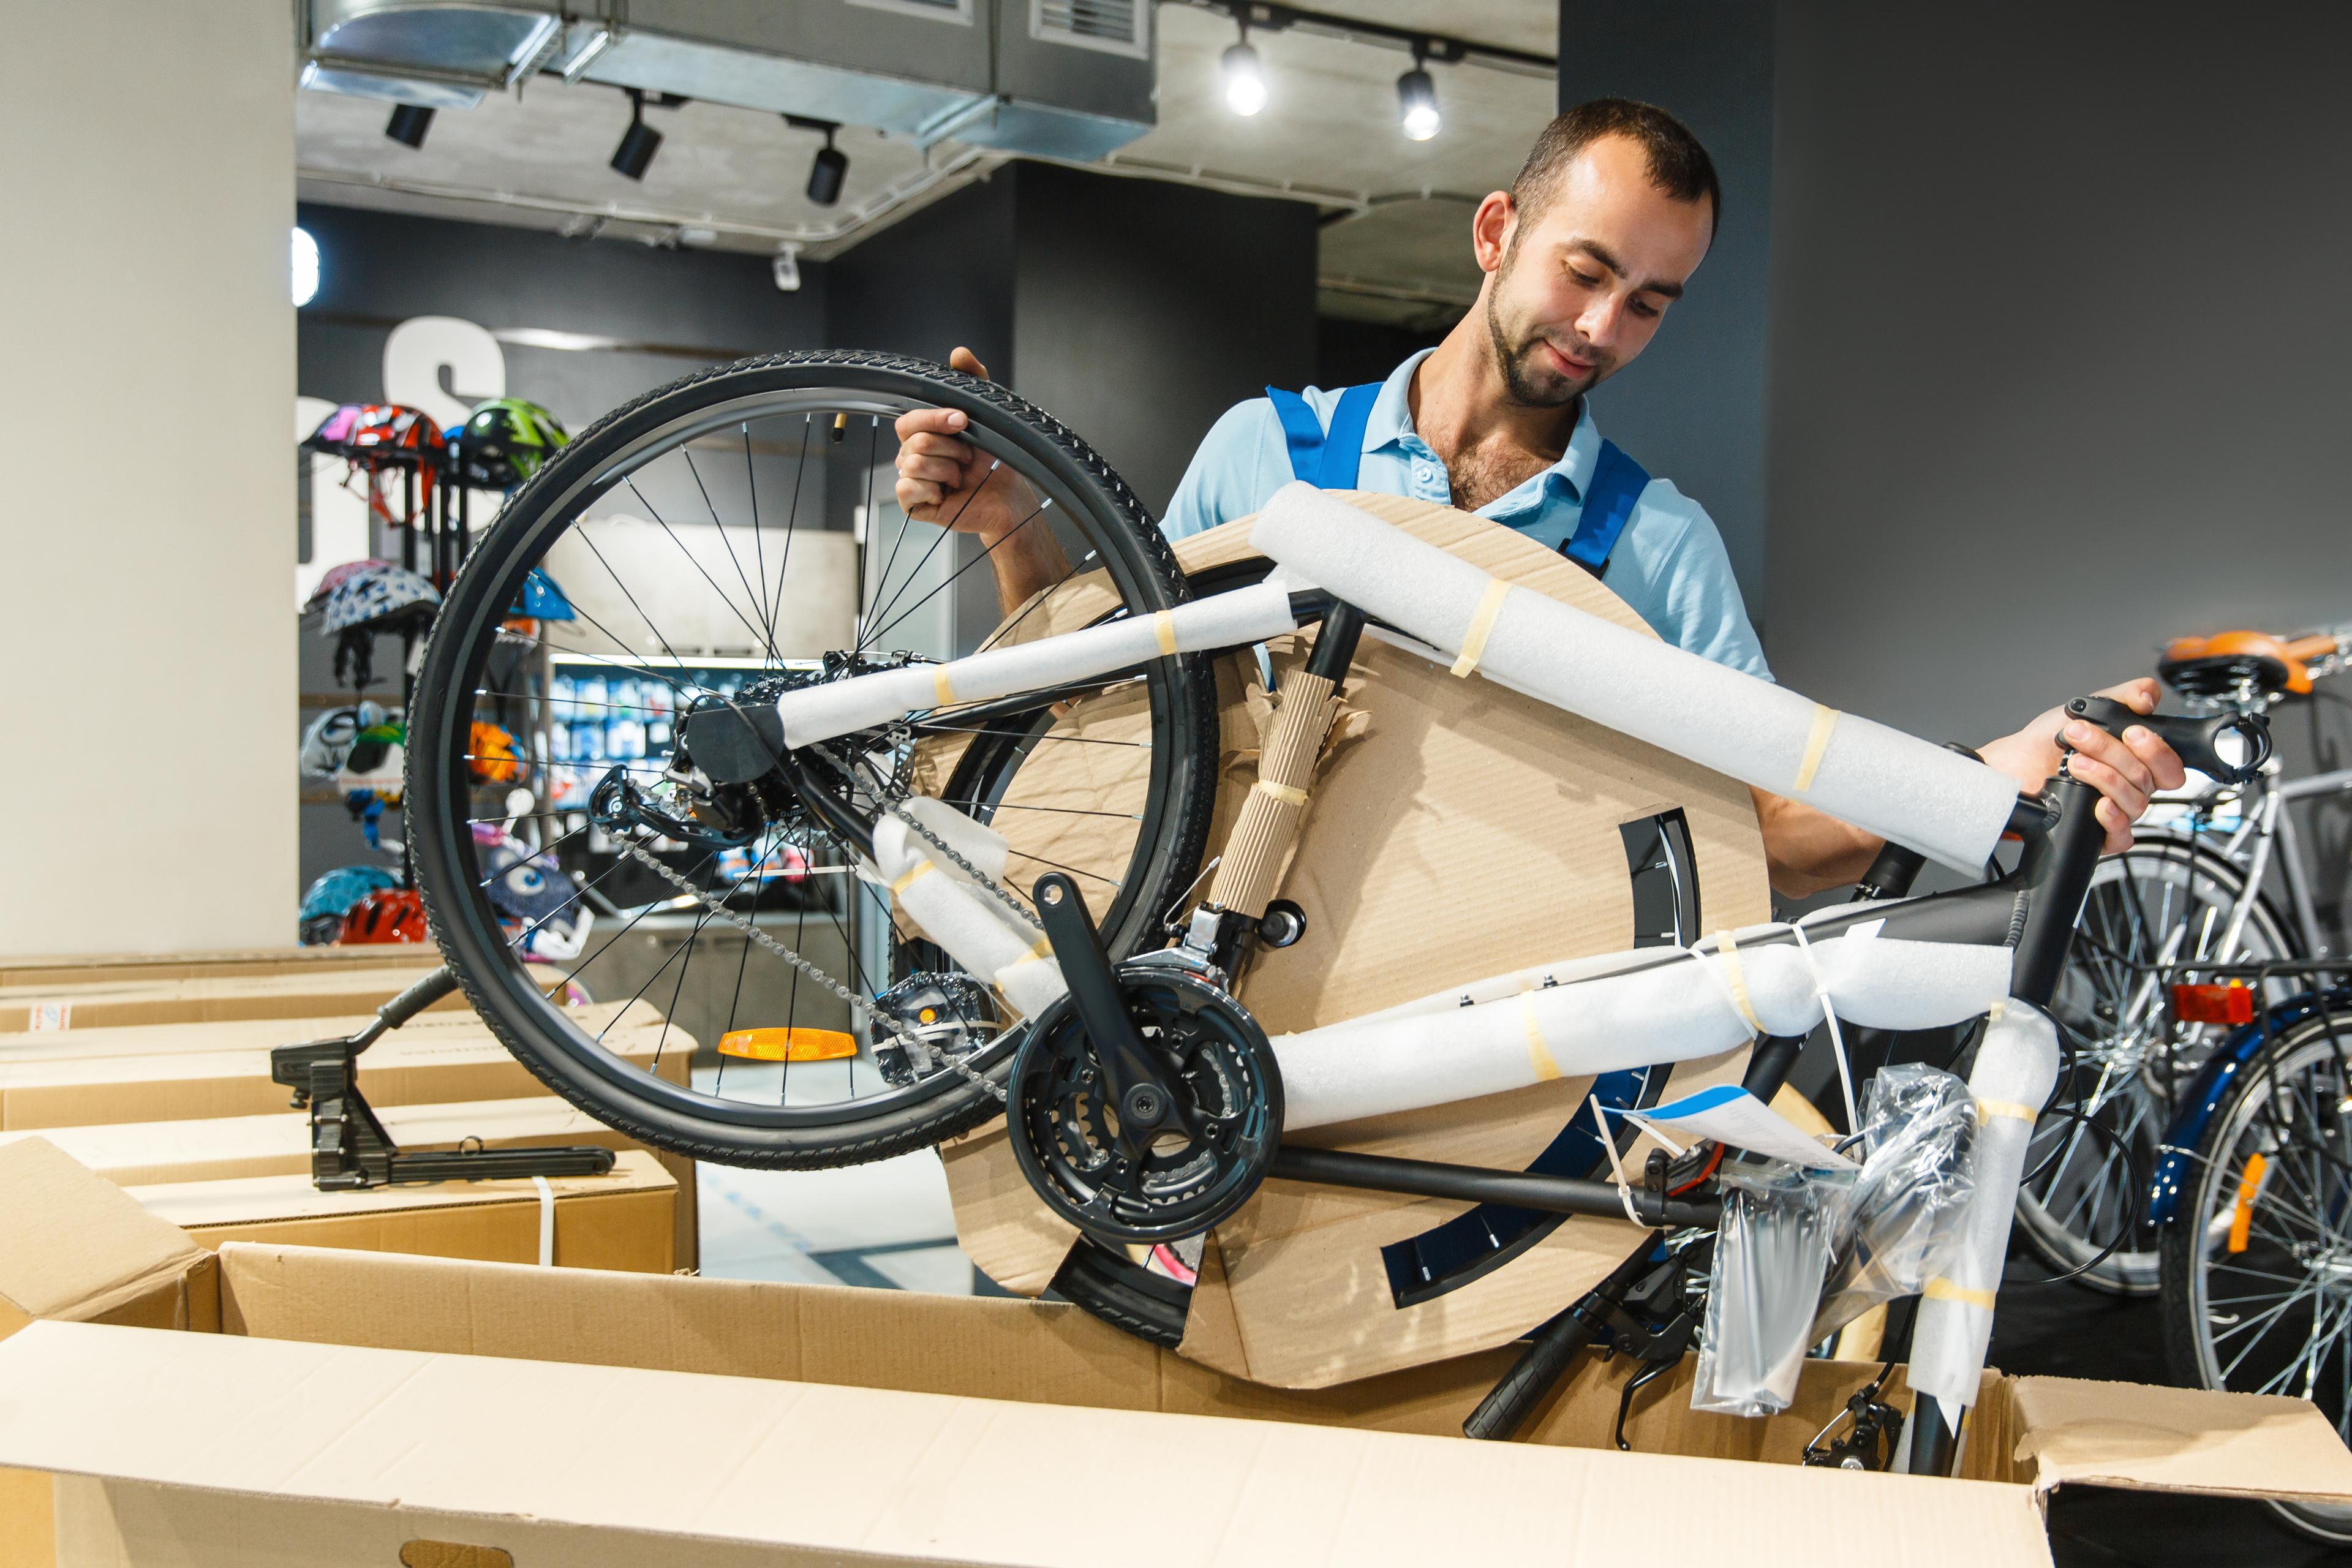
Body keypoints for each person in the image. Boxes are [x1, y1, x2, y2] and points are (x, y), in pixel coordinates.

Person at [892, 99, 2182, 897]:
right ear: (1496, 230)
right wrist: (1015, 524)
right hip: (1226, 1018)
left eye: (1651, 302)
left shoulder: (1660, 544)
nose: (1604, 326)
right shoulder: (1268, 453)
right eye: (1586, 270)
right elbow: (1095, 713)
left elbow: (1773, 823)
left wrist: (1985, 775)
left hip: (1469, 1074)